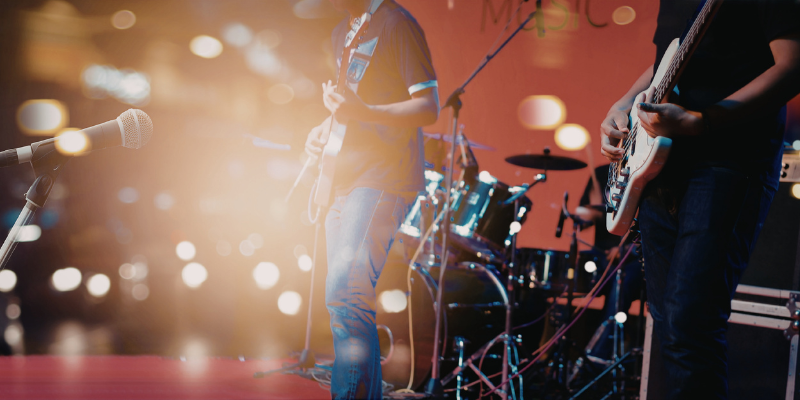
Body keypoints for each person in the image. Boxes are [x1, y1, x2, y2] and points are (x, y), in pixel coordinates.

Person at [600, 1, 800, 398]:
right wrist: (623, 103)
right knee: (670, 323)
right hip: (659, 164)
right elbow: (669, 58)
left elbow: (792, 65)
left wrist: (704, 121)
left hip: (728, 161)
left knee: (690, 322)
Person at [304, 0, 439, 398]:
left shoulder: (396, 24)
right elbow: (351, 106)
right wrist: (322, 127)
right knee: (344, 296)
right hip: (345, 175)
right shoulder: (341, 32)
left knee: (345, 291)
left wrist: (364, 112)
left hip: (383, 175)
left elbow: (428, 107)